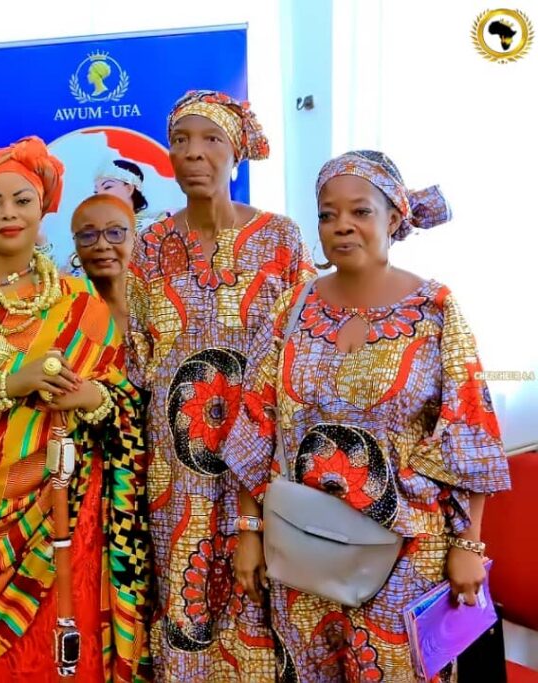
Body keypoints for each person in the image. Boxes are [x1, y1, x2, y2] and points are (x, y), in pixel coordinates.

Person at [225, 150, 511, 681]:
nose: (342, 226)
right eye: (327, 214)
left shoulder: (434, 310)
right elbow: (254, 424)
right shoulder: (293, 309)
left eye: (360, 211)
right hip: (303, 548)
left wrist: (469, 545)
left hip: (407, 555)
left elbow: (470, 433)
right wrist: (248, 531)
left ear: (394, 217)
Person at [0, 136, 151, 682]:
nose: (9, 214)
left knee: (65, 656)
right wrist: (14, 383)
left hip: (61, 507)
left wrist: (92, 398)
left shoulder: (81, 300)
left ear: (44, 207)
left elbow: (121, 399)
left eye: (22, 200)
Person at [128, 90, 314, 681]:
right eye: (180, 141)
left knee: (263, 592)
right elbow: (136, 354)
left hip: (263, 456)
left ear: (236, 151)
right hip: (176, 467)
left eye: (210, 139)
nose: (193, 153)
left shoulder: (280, 239)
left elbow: (303, 348)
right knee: (185, 595)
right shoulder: (150, 245)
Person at [69, 194, 136, 333]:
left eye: (115, 233)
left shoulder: (163, 310)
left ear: (135, 239)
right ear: (75, 244)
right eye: (88, 235)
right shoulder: (63, 316)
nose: (102, 245)